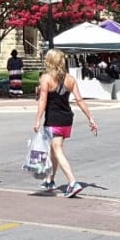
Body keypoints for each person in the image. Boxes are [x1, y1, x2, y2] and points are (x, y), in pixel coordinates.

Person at [33, 48, 98, 198]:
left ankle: (72, 182)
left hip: (53, 119)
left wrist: (37, 119)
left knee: (57, 150)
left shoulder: (46, 78)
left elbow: (43, 100)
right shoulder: (70, 79)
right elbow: (79, 100)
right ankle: (50, 180)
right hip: (67, 118)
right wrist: (90, 118)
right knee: (55, 149)